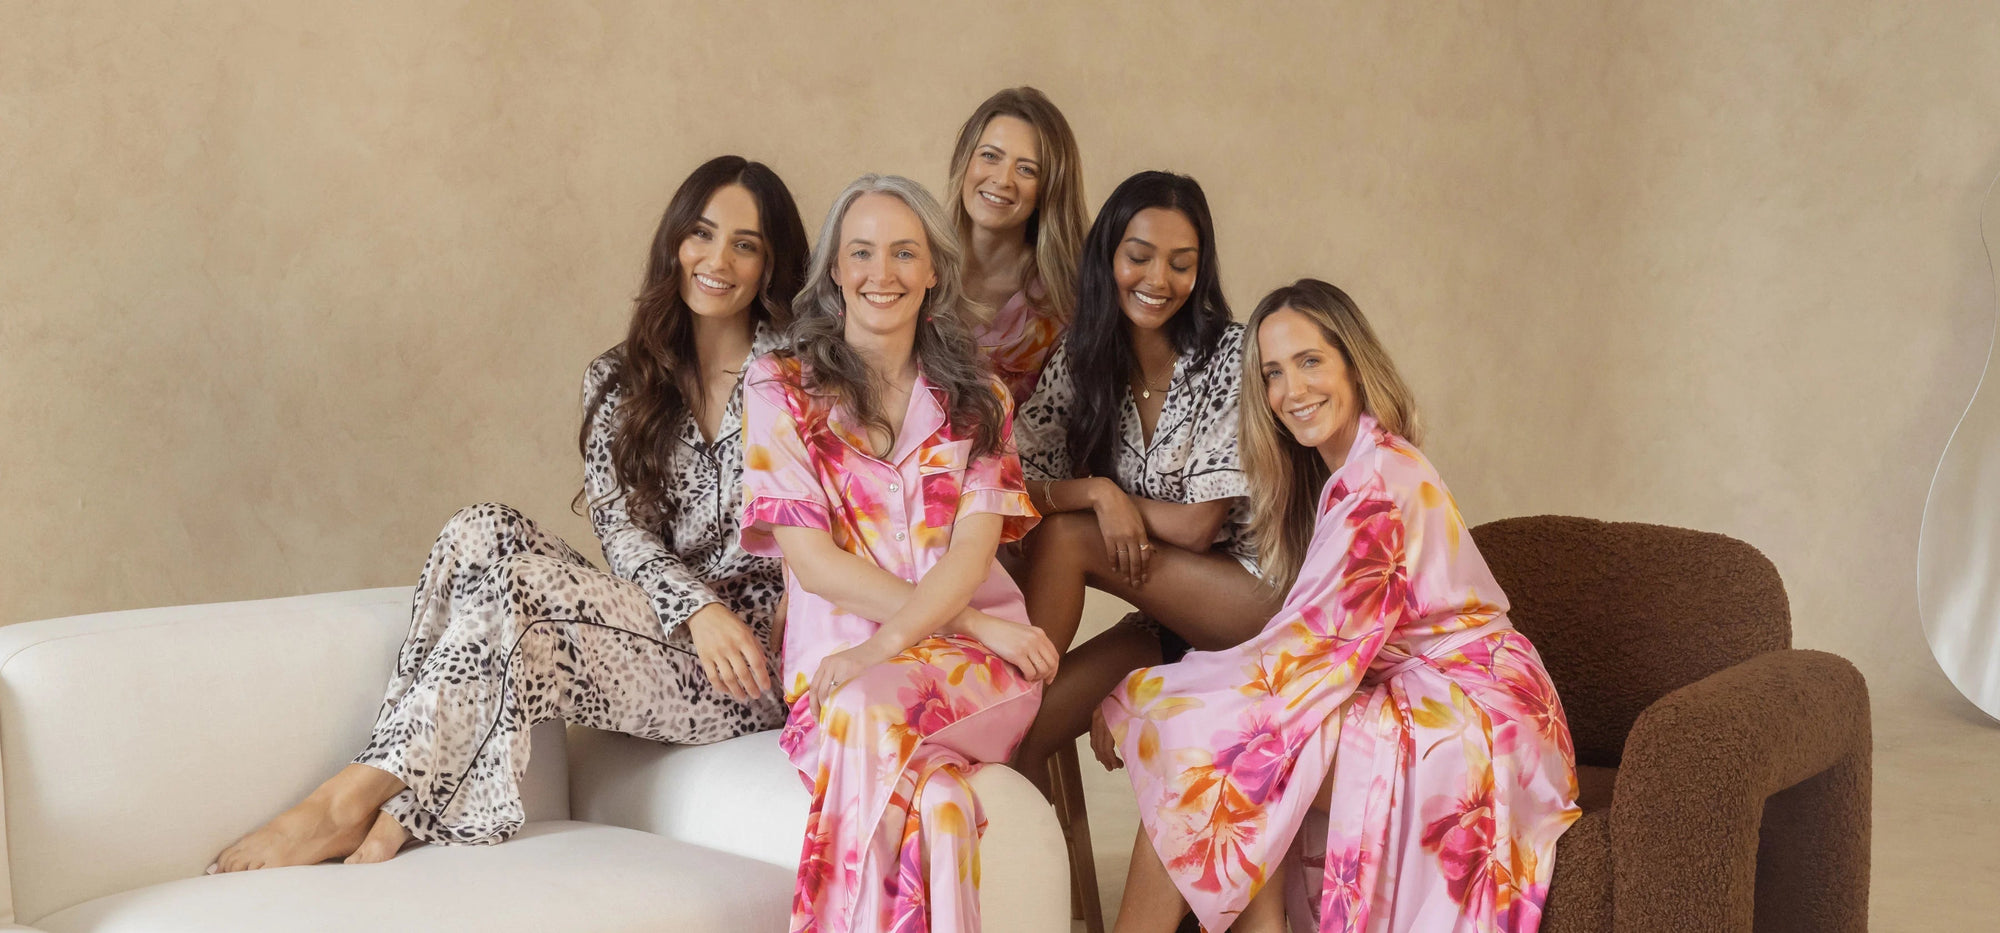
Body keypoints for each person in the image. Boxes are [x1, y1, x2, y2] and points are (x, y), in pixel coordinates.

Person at [209, 155, 809, 872]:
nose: (717, 260)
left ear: (771, 265)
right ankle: (394, 795)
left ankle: (343, 803)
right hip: (668, 623)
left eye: (746, 244)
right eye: (702, 234)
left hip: (745, 665)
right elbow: (621, 531)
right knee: (479, 528)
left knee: (522, 584)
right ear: (674, 240)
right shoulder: (619, 377)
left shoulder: (803, 377)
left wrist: (723, 615)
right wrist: (694, 608)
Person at [1094, 279, 1580, 932]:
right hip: (1452, 703)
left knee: (1211, 747)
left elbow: (1305, 653)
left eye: (1310, 361)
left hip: (1478, 725)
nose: (1292, 390)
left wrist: (1140, 693)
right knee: (1251, 763)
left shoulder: (1378, 483)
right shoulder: (1353, 474)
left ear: (1353, 362)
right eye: (1273, 372)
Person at [739, 174, 1060, 932]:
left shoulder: (980, 398)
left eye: (903, 252)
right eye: (862, 253)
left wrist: (889, 645)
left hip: (968, 683)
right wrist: (981, 625)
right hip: (855, 667)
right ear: (837, 271)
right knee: (942, 809)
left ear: (933, 271)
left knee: (861, 703)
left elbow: (972, 556)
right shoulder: (779, 388)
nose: (881, 273)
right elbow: (813, 563)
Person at [1008, 170, 1279, 791]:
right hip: (1172, 620)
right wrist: (1097, 494)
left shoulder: (1232, 357)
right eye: (1139, 256)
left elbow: (1196, 525)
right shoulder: (1084, 358)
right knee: (1022, 733)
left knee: (1068, 539)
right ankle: (1012, 875)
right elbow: (1014, 480)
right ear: (1109, 256)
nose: (1159, 280)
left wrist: (1102, 509)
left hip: (1258, 602)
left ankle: (1002, 687)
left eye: (1181, 264)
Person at [946, 86, 1089, 402]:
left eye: (1026, 169)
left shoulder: (1066, 304)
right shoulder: (913, 267)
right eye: (990, 156)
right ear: (964, 160)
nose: (1003, 179)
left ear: (1049, 188)